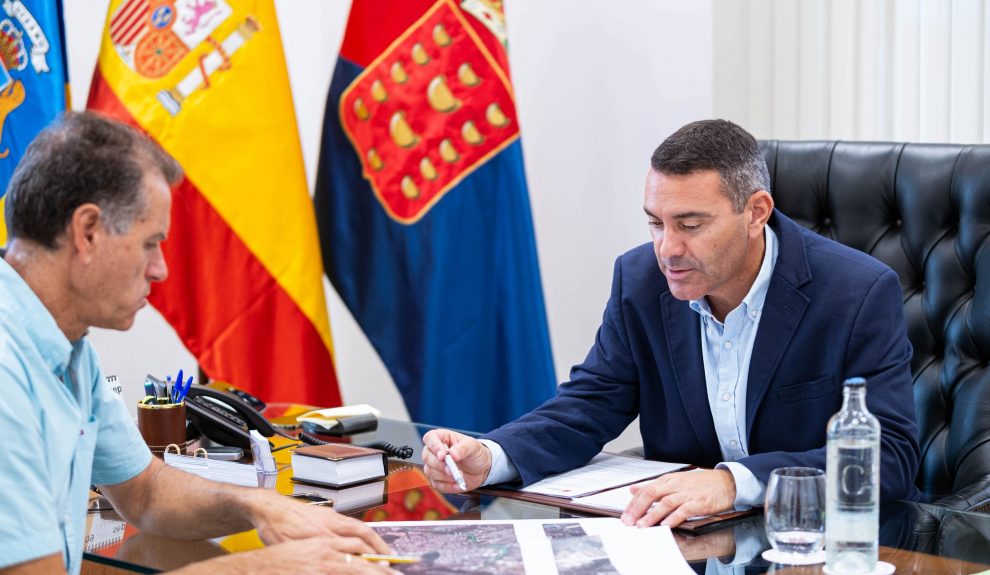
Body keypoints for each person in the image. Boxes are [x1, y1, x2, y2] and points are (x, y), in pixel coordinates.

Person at [423, 119, 922, 528]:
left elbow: (890, 458)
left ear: (756, 213)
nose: (667, 250)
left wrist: (731, 483)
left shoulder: (856, 292)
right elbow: (590, 404)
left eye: (690, 225)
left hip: (821, 543)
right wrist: (491, 455)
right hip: (686, 544)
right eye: (656, 223)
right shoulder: (640, 279)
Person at [0, 112, 395, 575]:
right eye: (151, 243)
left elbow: (145, 492)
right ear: (87, 231)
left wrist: (261, 507)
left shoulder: (68, 349)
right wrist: (264, 568)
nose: (161, 269)